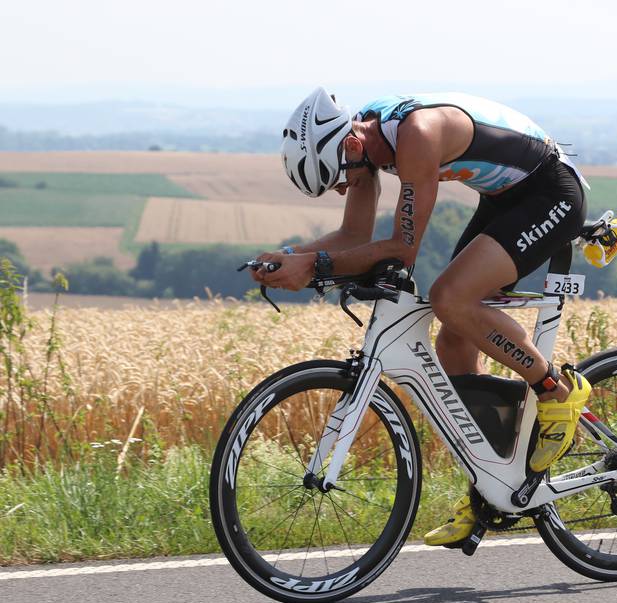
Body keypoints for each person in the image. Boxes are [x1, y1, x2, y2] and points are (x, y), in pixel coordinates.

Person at [253, 87, 592, 546]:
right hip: (505, 200)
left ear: (350, 144)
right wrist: (291, 255)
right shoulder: (362, 145)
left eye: (337, 177)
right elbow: (353, 234)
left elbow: (401, 250)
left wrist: (314, 267)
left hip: (551, 194)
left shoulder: (416, 136)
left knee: (450, 298)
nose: (340, 188)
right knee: (453, 338)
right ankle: (491, 485)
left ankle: (555, 391)